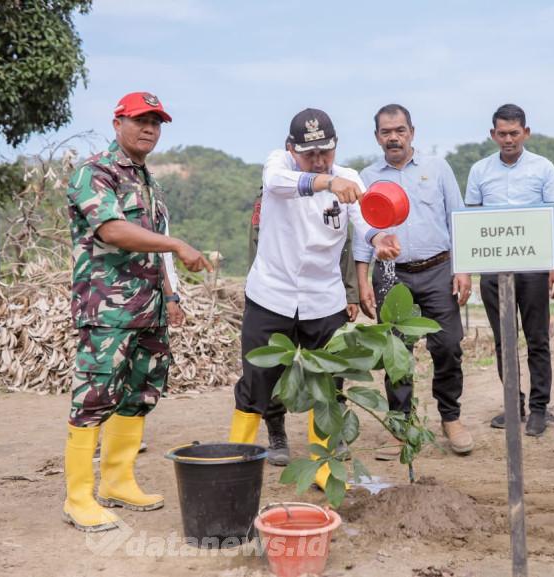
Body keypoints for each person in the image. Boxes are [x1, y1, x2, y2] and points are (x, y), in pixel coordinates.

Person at [63, 92, 212, 532]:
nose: (149, 128)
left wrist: (171, 295)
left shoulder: (149, 182)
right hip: (107, 310)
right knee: (94, 398)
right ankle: (78, 498)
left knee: (140, 394)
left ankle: (118, 481)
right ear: (117, 123)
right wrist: (177, 244)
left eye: (156, 122)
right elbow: (112, 229)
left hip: (151, 308)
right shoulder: (95, 172)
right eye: (140, 120)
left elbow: (153, 245)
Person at [227, 108, 399, 490]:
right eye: (310, 154)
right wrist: (326, 182)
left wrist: (378, 239)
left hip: (324, 299)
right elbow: (277, 183)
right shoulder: (278, 166)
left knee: (327, 384)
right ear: (292, 149)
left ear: (337, 146)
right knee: (256, 382)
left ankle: (323, 465)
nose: (320, 160)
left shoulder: (349, 178)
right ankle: (236, 463)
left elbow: (364, 221)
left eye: (326, 152)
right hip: (271, 295)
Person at [356, 104, 473, 458]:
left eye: (400, 130)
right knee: (395, 352)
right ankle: (400, 427)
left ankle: (451, 418)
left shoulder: (437, 168)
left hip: (438, 269)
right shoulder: (367, 177)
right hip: (391, 274)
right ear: (377, 137)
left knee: (448, 345)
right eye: (386, 132)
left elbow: (457, 217)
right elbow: (362, 231)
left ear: (412, 132)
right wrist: (362, 280)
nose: (394, 137)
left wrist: (463, 268)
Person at [465, 103, 554, 436]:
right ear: (492, 134)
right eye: (502, 133)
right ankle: (513, 404)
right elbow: (471, 223)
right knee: (503, 341)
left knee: (537, 339)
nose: (508, 139)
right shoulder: (480, 171)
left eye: (514, 133)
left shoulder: (543, 168)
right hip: (493, 270)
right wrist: (468, 268)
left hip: (533, 268)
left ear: (526, 132)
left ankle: (539, 408)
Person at [248, 182, 361, 466]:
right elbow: (257, 243)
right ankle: (276, 432)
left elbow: (344, 245)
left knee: (329, 366)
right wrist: (257, 296)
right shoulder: (274, 190)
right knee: (273, 369)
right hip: (277, 297)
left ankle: (329, 434)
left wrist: (351, 293)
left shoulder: (338, 191)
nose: (317, 161)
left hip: (324, 297)